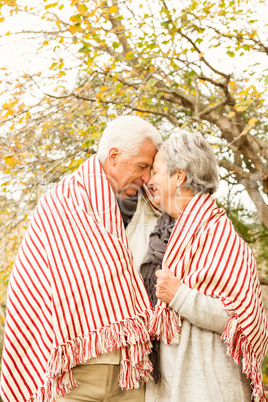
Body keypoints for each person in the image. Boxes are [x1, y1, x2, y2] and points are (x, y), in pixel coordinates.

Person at [0, 116, 162, 402]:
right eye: (142, 166)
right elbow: (32, 285)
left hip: (132, 371)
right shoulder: (61, 203)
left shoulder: (153, 206)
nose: (147, 177)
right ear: (113, 157)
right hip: (74, 375)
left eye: (150, 168)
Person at [141, 129, 268, 402]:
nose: (149, 180)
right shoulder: (164, 236)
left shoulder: (219, 236)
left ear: (179, 176)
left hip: (210, 391)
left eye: (155, 171)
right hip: (170, 388)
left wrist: (179, 295)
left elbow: (241, 319)